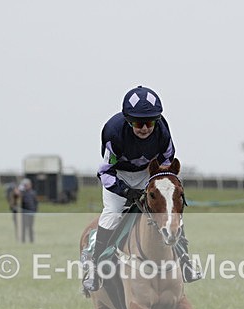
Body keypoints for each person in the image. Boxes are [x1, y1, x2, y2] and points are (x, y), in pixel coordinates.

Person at [82, 85, 200, 292]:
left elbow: (167, 166)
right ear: (128, 121)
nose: (144, 128)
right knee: (112, 214)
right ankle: (94, 267)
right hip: (118, 176)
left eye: (150, 122)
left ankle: (185, 261)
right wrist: (126, 192)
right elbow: (105, 172)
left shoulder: (163, 131)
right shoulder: (114, 133)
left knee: (169, 212)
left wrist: (159, 186)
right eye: (138, 123)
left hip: (149, 175)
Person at [17, 178, 38, 243]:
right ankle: (23, 241)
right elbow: (17, 198)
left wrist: (35, 210)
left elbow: (36, 202)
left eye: (27, 185)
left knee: (30, 227)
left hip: (31, 213)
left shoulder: (33, 193)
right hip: (24, 213)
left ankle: (31, 240)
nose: (26, 186)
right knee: (23, 227)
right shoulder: (22, 193)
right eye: (25, 185)